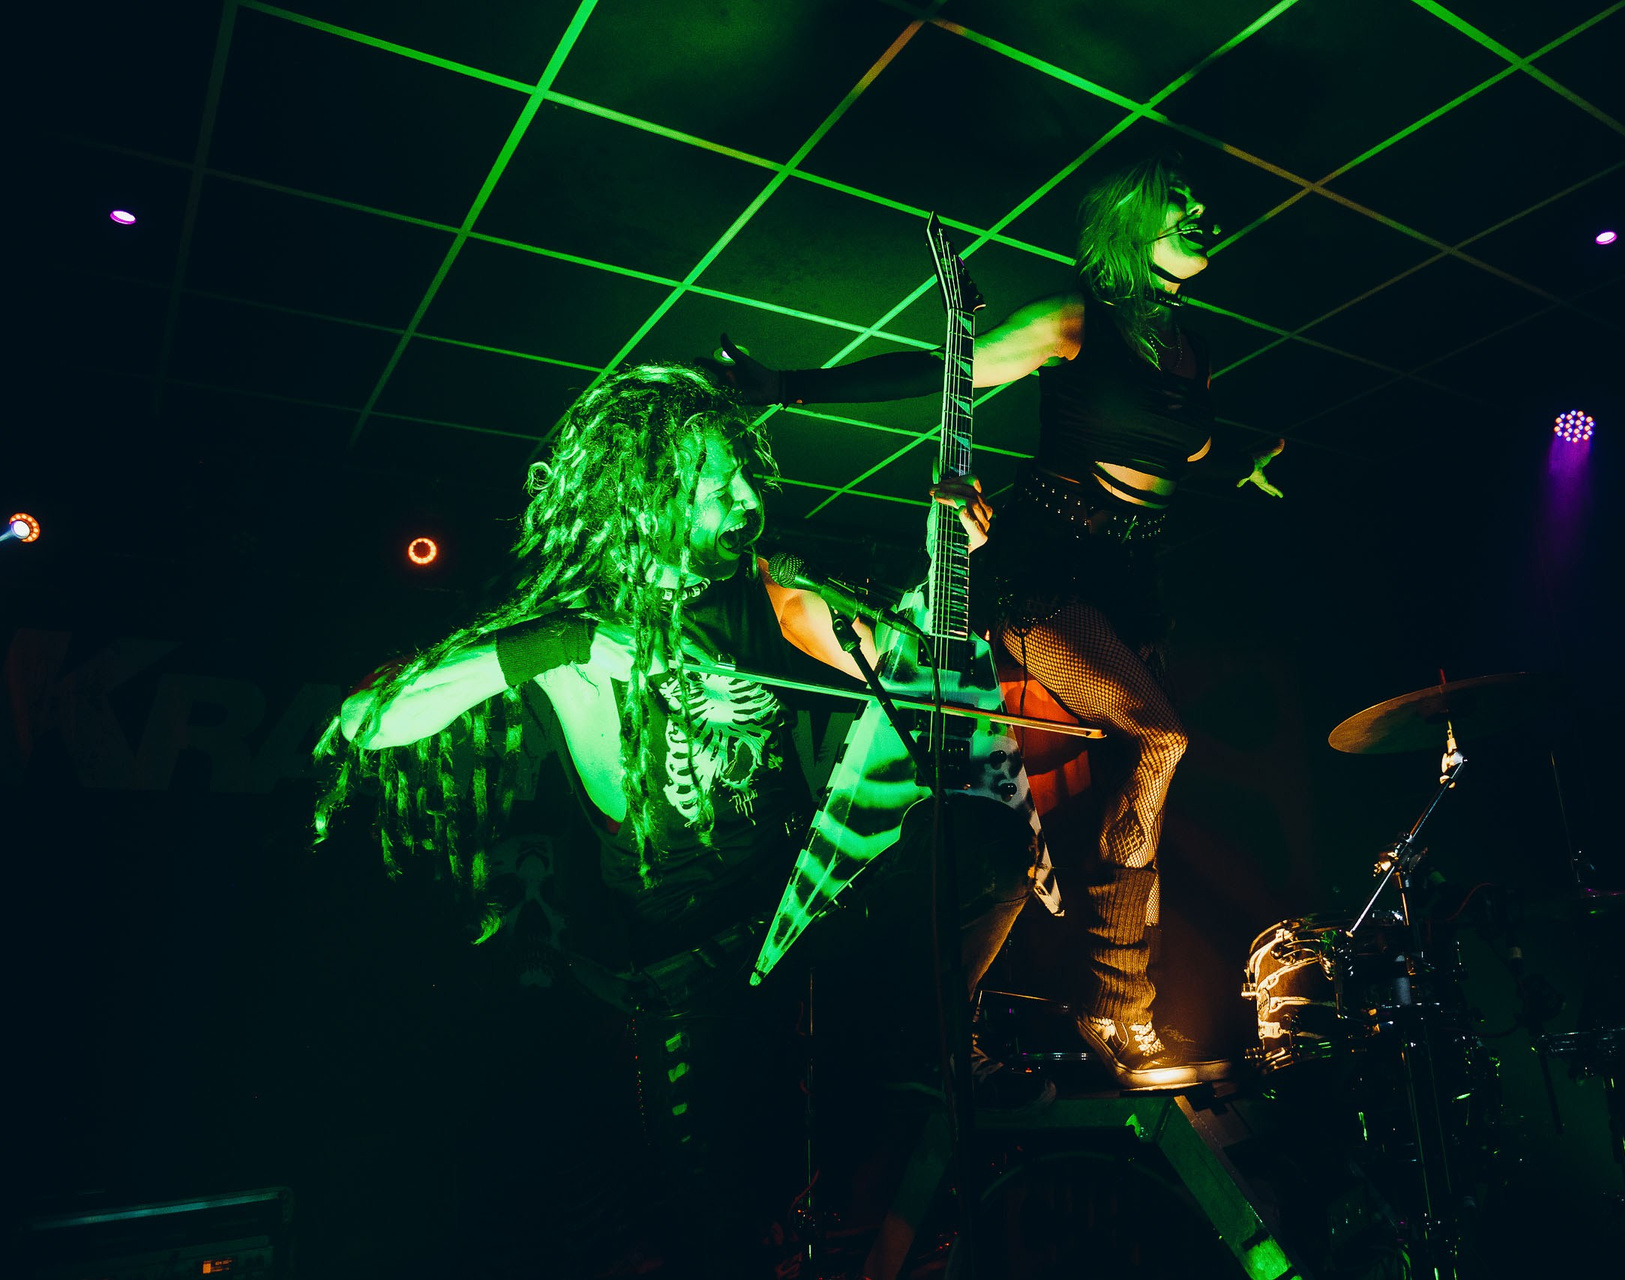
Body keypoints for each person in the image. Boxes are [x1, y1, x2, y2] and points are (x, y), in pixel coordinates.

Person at [313, 363, 1049, 1276]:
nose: (747, 501)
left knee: (986, 843)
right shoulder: (573, 630)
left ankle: (934, 1067)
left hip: (795, 931)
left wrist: (946, 566)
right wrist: (569, 643)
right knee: (723, 1233)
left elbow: (907, 666)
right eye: (716, 485)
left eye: (744, 477)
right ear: (645, 495)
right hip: (690, 981)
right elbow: (367, 719)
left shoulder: (758, 589)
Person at [699, 156, 1286, 1089]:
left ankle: (1117, 1006)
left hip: (1132, 583)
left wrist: (1238, 467)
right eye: (1182, 202)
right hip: (1043, 571)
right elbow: (949, 374)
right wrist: (789, 386)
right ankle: (1113, 1003)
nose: (1203, 213)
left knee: (1139, 782)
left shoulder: (1191, 346)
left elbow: (1179, 452)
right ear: (1131, 222)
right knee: (1162, 737)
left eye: (1203, 204)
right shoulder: (1077, 319)